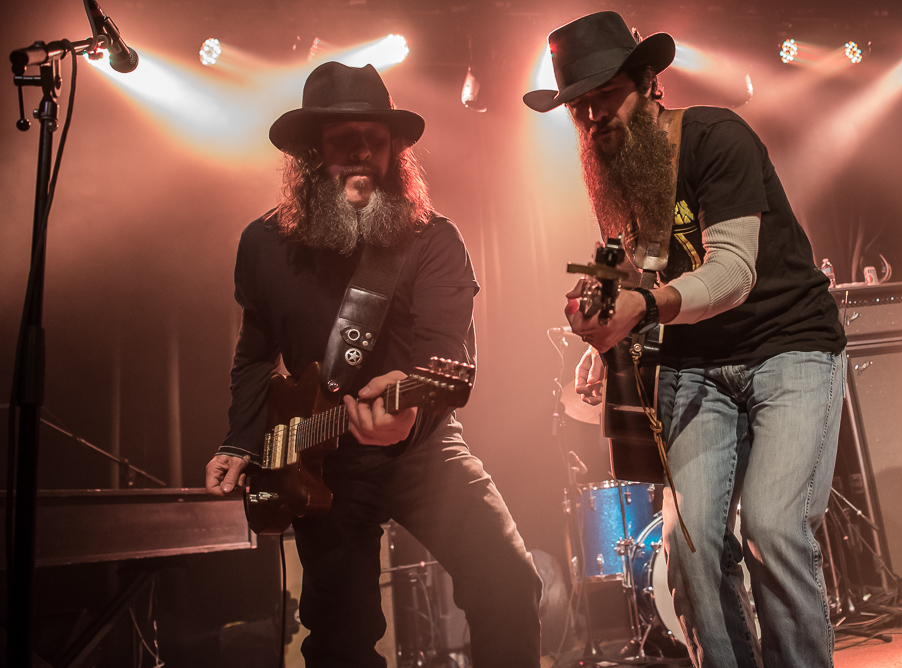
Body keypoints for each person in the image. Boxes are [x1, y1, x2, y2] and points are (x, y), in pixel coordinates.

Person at [525, 12, 847, 668]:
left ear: (649, 82)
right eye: (580, 107)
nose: (593, 116)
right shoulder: (615, 170)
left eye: (606, 95)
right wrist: (599, 337)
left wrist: (643, 307)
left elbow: (731, 272)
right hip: (696, 361)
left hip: (788, 345)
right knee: (690, 548)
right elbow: (629, 260)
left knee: (772, 527)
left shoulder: (715, 137)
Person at [205, 61, 542, 667]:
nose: (363, 153)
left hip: (422, 449)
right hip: (320, 462)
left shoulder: (432, 239)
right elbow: (254, 357)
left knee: (508, 582)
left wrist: (410, 407)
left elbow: (447, 357)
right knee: (340, 637)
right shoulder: (263, 245)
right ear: (311, 155)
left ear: (394, 151)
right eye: (344, 142)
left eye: (376, 140)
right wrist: (240, 439)